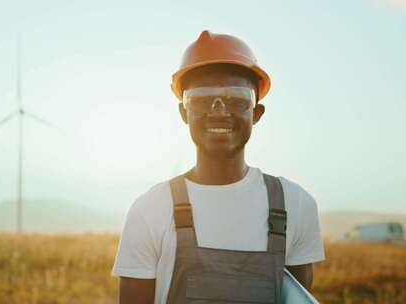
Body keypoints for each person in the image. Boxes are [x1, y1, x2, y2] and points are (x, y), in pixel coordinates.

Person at [111, 30, 325, 304]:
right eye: (201, 99)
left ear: (256, 113)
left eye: (237, 98)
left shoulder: (295, 204)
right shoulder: (149, 209)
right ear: (183, 112)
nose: (219, 110)